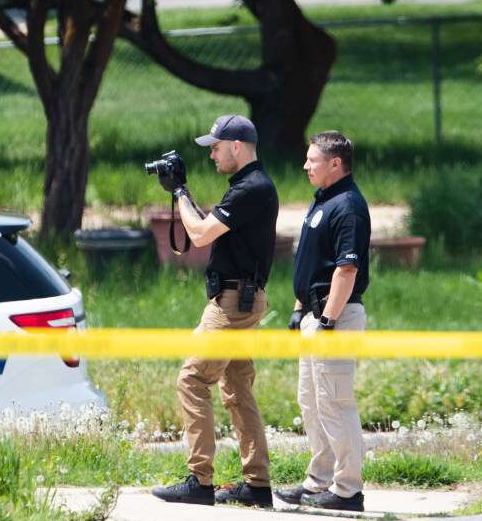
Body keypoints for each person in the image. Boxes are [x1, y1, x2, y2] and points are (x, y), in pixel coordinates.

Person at [151, 114, 279, 508]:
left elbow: (201, 233)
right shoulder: (249, 186)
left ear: (236, 146)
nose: (212, 155)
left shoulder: (250, 189)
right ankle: (257, 485)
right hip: (241, 298)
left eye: (216, 147)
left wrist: (180, 193)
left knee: (192, 378)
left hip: (231, 305)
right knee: (237, 388)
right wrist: (184, 194)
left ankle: (199, 480)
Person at [274, 131, 371, 512]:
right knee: (312, 403)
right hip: (315, 314)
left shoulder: (348, 205)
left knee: (336, 403)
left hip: (337, 316)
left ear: (335, 164)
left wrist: (328, 321)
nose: (305, 165)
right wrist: (301, 309)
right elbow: (314, 265)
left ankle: (348, 491)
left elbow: (346, 270)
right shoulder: (323, 202)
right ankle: (318, 483)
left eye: (312, 160)